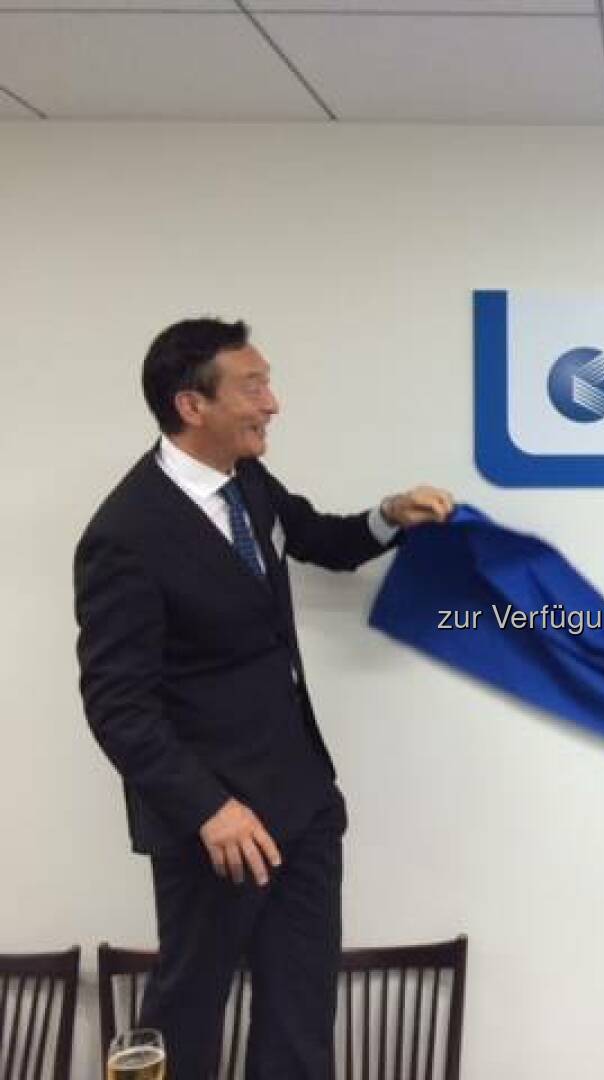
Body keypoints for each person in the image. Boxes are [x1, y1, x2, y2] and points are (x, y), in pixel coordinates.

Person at [74, 317, 454, 1079]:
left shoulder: (247, 482)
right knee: (188, 1020)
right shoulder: (124, 534)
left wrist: (390, 515)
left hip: (303, 804)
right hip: (217, 830)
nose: (272, 403)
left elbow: (318, 537)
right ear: (192, 405)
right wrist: (209, 809)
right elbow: (118, 705)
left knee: (300, 1020)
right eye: (253, 387)